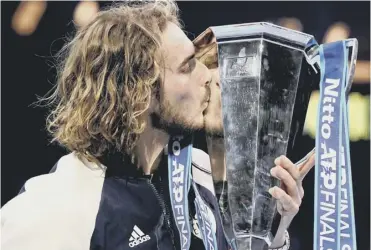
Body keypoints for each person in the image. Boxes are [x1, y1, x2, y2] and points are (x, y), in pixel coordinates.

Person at [193, 29, 316, 249]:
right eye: (212, 64)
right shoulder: (163, 173)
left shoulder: (265, 193)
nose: (224, 79)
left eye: (243, 72)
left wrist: (277, 230)